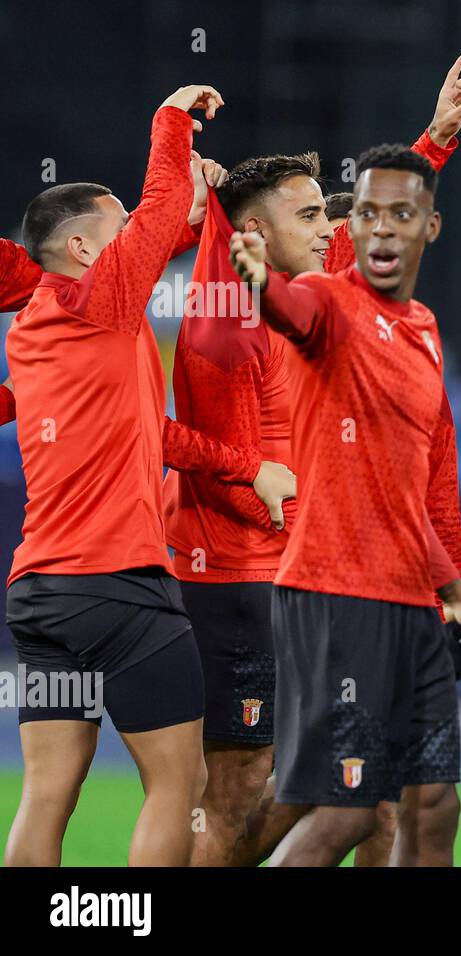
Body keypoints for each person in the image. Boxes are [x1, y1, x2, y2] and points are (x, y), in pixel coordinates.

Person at [170, 51, 461, 867]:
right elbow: (225, 461)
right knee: (247, 796)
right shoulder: (223, 319)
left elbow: (378, 228)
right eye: (311, 216)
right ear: (250, 236)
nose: (330, 230)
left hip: (322, 581)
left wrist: (438, 138)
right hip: (242, 581)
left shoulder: (330, 299)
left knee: (365, 801)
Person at [2, 85, 266, 866]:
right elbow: (155, 215)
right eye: (116, 233)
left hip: (39, 595)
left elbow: (162, 226)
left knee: (47, 793)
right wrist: (170, 121)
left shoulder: (36, 327)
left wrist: (191, 208)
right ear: (86, 250)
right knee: (175, 789)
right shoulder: (107, 301)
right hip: (119, 589)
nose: (135, 246)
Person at [231, 142, 461, 867]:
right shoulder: (326, 299)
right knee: (345, 810)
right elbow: (289, 308)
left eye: (402, 215)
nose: (383, 228)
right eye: (370, 214)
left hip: (411, 601)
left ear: (429, 229)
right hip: (336, 594)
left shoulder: (424, 332)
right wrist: (260, 281)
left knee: (434, 805)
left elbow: (401, 491)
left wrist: (456, 595)